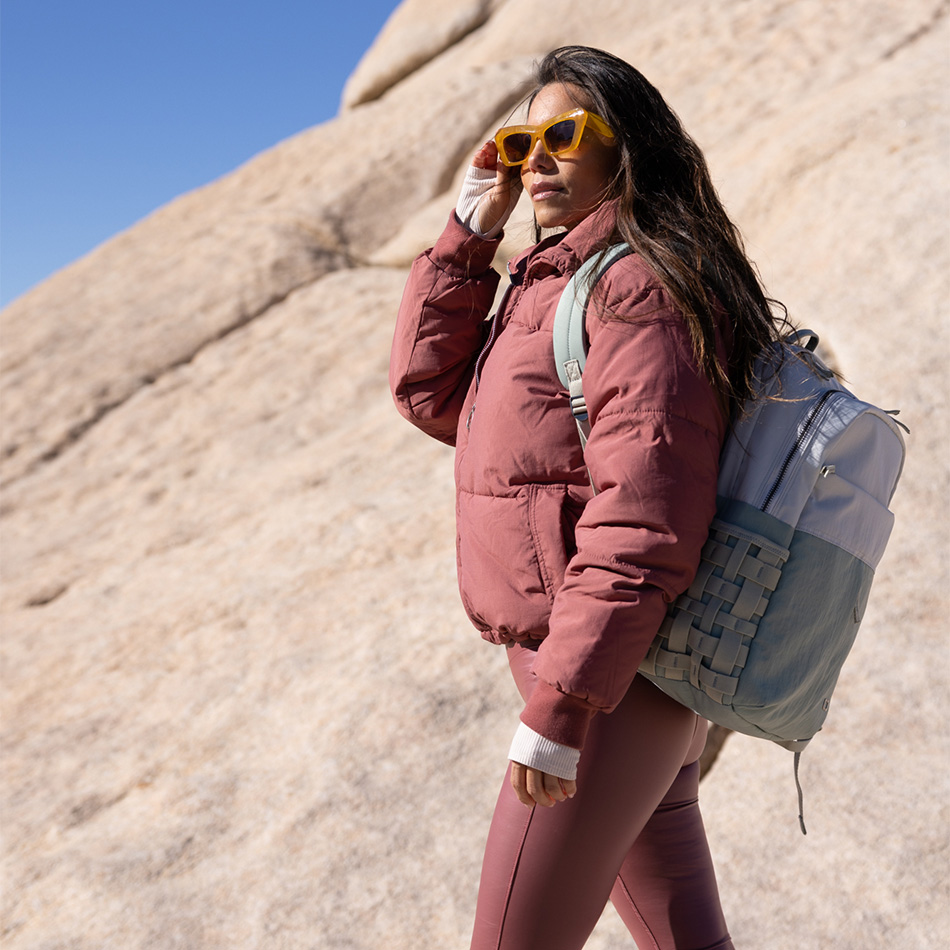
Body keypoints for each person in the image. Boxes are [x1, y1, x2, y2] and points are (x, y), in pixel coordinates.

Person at [390, 45, 787, 950]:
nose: (535, 160)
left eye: (562, 135)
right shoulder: (550, 286)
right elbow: (430, 395)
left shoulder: (635, 287)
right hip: (603, 678)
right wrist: (466, 235)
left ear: (624, 145)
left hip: (608, 687)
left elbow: (645, 517)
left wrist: (564, 706)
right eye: (520, 142)